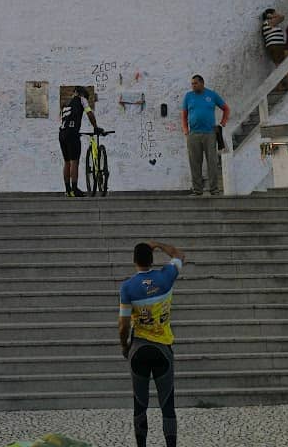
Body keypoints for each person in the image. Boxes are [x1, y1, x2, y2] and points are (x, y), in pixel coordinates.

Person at [118, 239, 187, 447]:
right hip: (163, 349)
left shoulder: (127, 287)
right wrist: (158, 244)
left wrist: (124, 346)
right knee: (167, 404)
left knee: (140, 404)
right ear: (152, 259)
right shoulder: (166, 276)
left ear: (134, 261)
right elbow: (180, 255)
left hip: (139, 348)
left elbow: (123, 324)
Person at [180, 75, 227, 198]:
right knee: (195, 163)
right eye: (192, 84)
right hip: (193, 134)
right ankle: (197, 191)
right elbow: (184, 115)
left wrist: (222, 124)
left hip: (210, 134)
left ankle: (214, 190)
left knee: (212, 162)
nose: (193, 86)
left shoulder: (212, 95)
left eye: (195, 83)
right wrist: (186, 130)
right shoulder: (188, 96)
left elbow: (226, 109)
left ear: (202, 83)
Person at [59, 87, 95, 197]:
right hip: (72, 134)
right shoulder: (81, 99)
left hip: (62, 134)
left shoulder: (67, 103)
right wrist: (96, 127)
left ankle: (68, 190)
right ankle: (75, 189)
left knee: (67, 162)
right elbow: (89, 113)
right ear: (82, 94)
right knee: (74, 161)